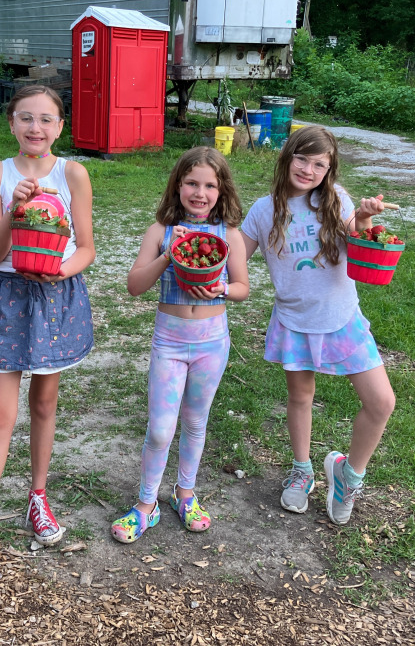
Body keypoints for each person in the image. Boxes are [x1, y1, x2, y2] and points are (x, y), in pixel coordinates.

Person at [0, 85, 95, 591]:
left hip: (57, 294)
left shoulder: (73, 173)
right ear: (11, 124)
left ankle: (38, 498)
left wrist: (62, 268)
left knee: (45, 403)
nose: (36, 128)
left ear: (60, 127)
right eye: (26, 118)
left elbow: (87, 246)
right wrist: (14, 207)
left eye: (46, 120)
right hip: (7, 293)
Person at [240, 125, 396, 526]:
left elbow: (354, 237)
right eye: (302, 158)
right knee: (300, 397)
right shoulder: (263, 211)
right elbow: (235, 255)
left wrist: (361, 218)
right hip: (295, 321)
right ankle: (302, 468)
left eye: (319, 164)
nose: (308, 169)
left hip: (342, 318)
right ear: (287, 156)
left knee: (381, 402)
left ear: (329, 170)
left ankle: (348, 475)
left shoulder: (335, 200)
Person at [110, 146, 249, 544]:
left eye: (209, 185)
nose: (200, 192)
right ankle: (146, 504)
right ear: (178, 185)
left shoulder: (229, 234)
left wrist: (222, 287)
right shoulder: (160, 231)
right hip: (169, 341)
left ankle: (184, 493)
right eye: (191, 183)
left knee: (195, 421)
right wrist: (168, 256)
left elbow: (242, 287)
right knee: (159, 430)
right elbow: (135, 286)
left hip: (211, 342)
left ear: (221, 191)